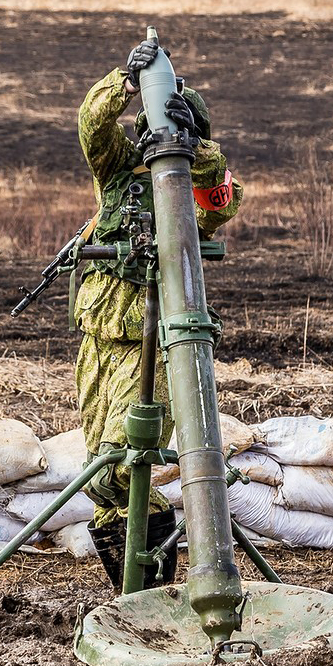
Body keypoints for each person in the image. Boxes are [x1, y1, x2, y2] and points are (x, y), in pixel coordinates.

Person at [75, 38, 243, 588]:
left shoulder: (201, 181)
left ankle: (155, 587)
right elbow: (92, 129)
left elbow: (217, 204)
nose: (156, 130)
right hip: (102, 333)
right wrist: (122, 85)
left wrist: (198, 148)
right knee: (107, 473)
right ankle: (135, 596)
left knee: (124, 465)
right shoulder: (120, 173)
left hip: (161, 336)